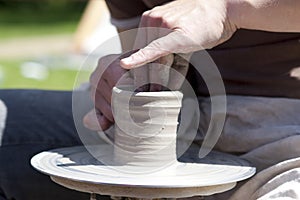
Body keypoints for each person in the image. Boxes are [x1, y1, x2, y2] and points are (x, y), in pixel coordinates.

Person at [0, 0, 300, 199]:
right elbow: (143, 53)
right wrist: (125, 77)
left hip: (284, 123)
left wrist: (230, 9)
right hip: (185, 118)